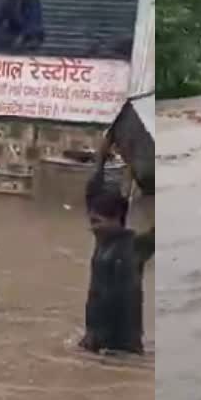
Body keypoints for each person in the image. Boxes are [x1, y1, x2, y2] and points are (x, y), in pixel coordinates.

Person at [79, 149, 154, 354]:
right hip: (96, 342)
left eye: (97, 222)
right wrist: (101, 157)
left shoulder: (135, 247)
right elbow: (91, 193)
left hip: (122, 350)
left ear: (115, 220)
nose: (92, 227)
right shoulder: (102, 244)